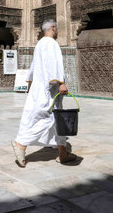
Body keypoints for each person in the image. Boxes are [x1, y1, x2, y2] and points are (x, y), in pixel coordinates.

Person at [12, 19, 76, 167]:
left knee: (56, 119)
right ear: (53, 28)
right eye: (57, 28)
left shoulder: (40, 43)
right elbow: (53, 64)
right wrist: (61, 82)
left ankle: (62, 153)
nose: (57, 30)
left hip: (39, 87)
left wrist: (30, 83)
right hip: (49, 89)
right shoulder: (51, 43)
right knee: (45, 118)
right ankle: (20, 144)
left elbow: (34, 66)